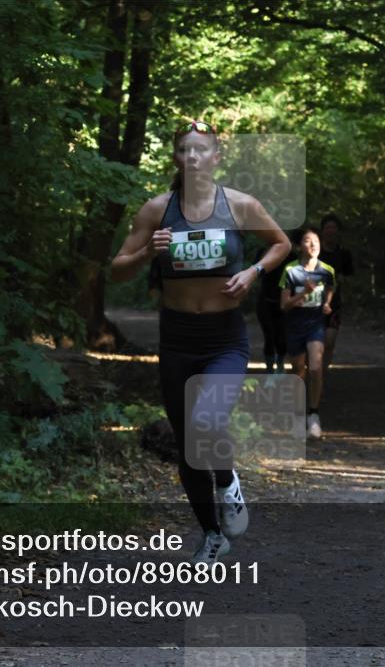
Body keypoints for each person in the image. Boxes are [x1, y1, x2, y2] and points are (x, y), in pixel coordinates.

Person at [110, 120, 291, 564]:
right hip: (176, 338)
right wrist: (146, 253)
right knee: (189, 442)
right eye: (184, 150)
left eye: (201, 150)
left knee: (208, 419)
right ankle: (212, 534)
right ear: (176, 159)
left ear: (216, 158)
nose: (192, 157)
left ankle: (228, 481)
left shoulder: (240, 205)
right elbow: (115, 270)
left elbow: (281, 243)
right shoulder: (157, 210)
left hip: (224, 337)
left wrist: (253, 272)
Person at [280, 227, 336, 440]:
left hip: (316, 325)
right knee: (297, 372)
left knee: (315, 366)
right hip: (295, 325)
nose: (314, 245)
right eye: (308, 241)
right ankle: (297, 415)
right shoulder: (290, 271)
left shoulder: (327, 270)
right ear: (299, 246)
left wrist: (327, 304)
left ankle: (313, 415)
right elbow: (284, 305)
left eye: (316, 241)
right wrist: (303, 294)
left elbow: (330, 289)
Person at [317, 214, 354, 371]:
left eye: (334, 228)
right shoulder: (314, 252)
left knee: (330, 341)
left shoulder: (344, 254)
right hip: (312, 303)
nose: (331, 231)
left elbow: (349, 275)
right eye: (327, 228)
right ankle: (312, 370)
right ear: (322, 231)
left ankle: (323, 372)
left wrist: (338, 280)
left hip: (334, 304)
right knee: (312, 343)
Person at [254, 239, 294, 374]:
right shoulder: (262, 252)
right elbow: (255, 272)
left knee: (282, 338)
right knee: (269, 336)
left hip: (283, 301)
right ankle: (270, 370)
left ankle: (280, 363)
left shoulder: (290, 253)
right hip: (265, 301)